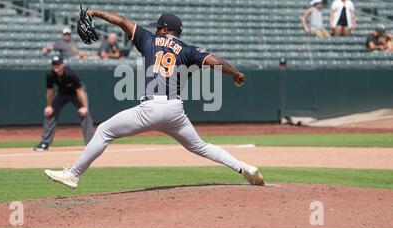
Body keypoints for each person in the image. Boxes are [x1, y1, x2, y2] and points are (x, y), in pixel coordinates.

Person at [44, 10, 264, 188]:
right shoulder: (187, 49)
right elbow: (214, 60)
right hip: (175, 111)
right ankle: (244, 167)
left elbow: (121, 21)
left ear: (165, 29)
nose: (156, 29)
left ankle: (73, 175)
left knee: (104, 131)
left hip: (150, 108)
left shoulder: (149, 38)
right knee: (201, 146)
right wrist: (236, 73)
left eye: (159, 26)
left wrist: (94, 12)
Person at [34, 55, 94, 151]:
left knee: (85, 114)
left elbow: (80, 91)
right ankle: (45, 143)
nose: (56, 67)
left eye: (58, 64)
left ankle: (91, 143)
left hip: (76, 93)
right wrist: (49, 106)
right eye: (54, 65)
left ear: (63, 65)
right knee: (50, 113)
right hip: (62, 93)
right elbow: (49, 91)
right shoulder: (50, 75)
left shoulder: (70, 74)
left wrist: (85, 107)